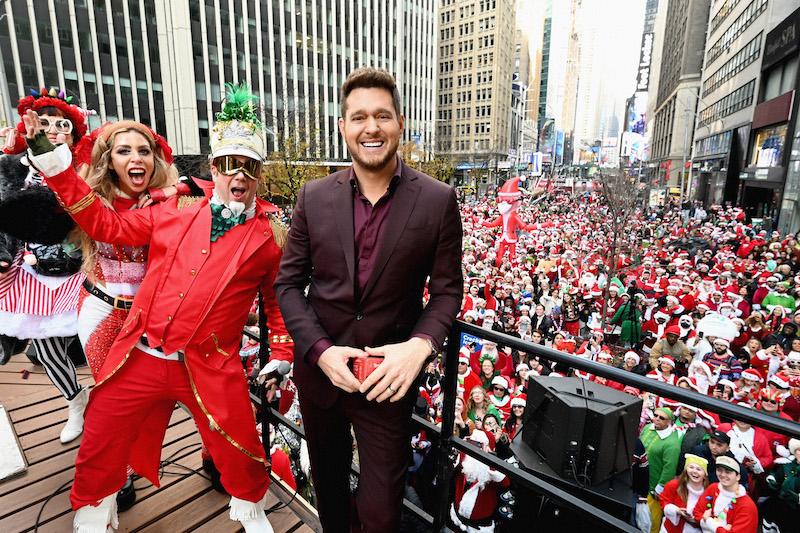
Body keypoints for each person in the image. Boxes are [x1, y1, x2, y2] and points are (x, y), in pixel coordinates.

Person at [23, 84, 293, 532]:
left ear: (259, 172)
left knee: (241, 446)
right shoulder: (175, 209)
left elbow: (277, 299)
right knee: (101, 438)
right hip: (143, 354)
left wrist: (282, 355)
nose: (238, 176)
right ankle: (92, 512)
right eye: (229, 165)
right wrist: (56, 166)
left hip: (209, 365)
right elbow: (104, 222)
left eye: (248, 166)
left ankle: (250, 510)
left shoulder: (271, 236)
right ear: (214, 167)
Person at [273, 67, 462, 532]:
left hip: (388, 383)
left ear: (400, 123)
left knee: (380, 514)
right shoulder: (313, 196)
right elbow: (287, 285)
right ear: (343, 127)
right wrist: (320, 352)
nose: (371, 127)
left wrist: (419, 348)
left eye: (382, 116)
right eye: (359, 117)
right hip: (321, 376)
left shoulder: (438, 200)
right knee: (331, 497)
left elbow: (446, 293)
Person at [0, 88, 89, 443]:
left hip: (86, 273)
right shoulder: (13, 171)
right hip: (36, 276)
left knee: (105, 343)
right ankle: (76, 401)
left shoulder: (87, 170)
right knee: (50, 350)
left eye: (61, 123)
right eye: (45, 123)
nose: (52, 129)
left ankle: (116, 407)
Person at [640, 407, 682, 533]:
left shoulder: (672, 443)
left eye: (661, 418)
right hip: (638, 480)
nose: (656, 419)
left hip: (652, 488)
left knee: (649, 521)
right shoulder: (648, 428)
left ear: (669, 422)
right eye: (656, 415)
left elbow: (669, 468)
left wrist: (660, 488)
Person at [692, 456, 758, 533]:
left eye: (728, 472)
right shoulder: (713, 488)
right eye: (719, 470)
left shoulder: (747, 506)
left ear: (738, 477)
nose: (723, 475)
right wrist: (721, 528)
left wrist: (709, 520)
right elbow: (697, 513)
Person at [658, 453, 709, 533]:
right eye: (691, 467)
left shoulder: (709, 493)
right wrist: (677, 510)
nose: (694, 471)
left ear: (705, 475)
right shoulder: (674, 485)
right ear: (686, 470)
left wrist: (697, 520)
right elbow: (663, 501)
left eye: (699, 469)